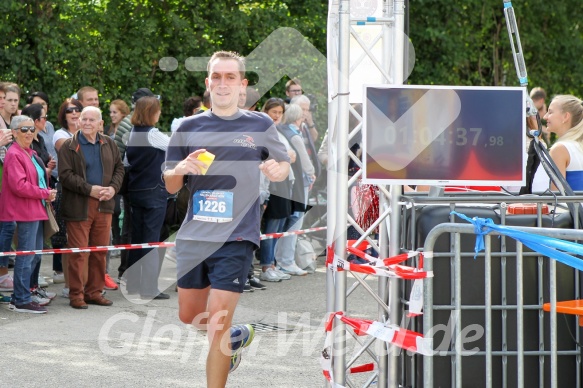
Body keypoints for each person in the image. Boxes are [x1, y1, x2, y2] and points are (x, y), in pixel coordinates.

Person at [164, 51, 290, 387]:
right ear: (208, 83)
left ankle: (224, 346)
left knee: (218, 321)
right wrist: (180, 169)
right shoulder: (187, 127)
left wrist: (279, 170)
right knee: (189, 315)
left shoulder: (260, 124)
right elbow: (170, 183)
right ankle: (233, 341)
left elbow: (283, 164)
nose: (223, 83)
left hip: (238, 235)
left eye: (230, 77)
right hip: (194, 237)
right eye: (216, 77)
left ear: (243, 85)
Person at [58, 106, 124, 309]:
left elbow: (119, 169)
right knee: (79, 252)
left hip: (105, 205)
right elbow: (65, 175)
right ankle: (76, 295)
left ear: (100, 123)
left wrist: (113, 189)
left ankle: (94, 292)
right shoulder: (69, 146)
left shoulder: (110, 143)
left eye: (91, 120)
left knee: (99, 251)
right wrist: (90, 190)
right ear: (78, 121)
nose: (86, 123)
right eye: (83, 119)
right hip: (79, 206)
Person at [0, 115, 57, 313]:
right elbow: (19, 186)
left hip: (36, 209)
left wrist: (47, 193)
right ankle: (21, 299)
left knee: (33, 255)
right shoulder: (14, 153)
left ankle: (24, 295)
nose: (29, 132)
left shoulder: (30, 152)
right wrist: (45, 193)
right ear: (14, 133)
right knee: (26, 257)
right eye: (24, 129)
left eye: (32, 128)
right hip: (24, 211)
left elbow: (37, 181)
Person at [125, 96, 170, 299]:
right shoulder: (153, 134)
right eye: (158, 110)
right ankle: (149, 288)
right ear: (152, 112)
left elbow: (127, 162)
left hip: (135, 191)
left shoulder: (131, 134)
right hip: (153, 191)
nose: (160, 113)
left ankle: (133, 284)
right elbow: (176, 148)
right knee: (151, 241)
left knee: (137, 240)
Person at [532, 95, 583, 191]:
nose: (545, 116)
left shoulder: (560, 149)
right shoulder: (577, 146)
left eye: (550, 112)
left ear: (565, 116)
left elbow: (557, 198)